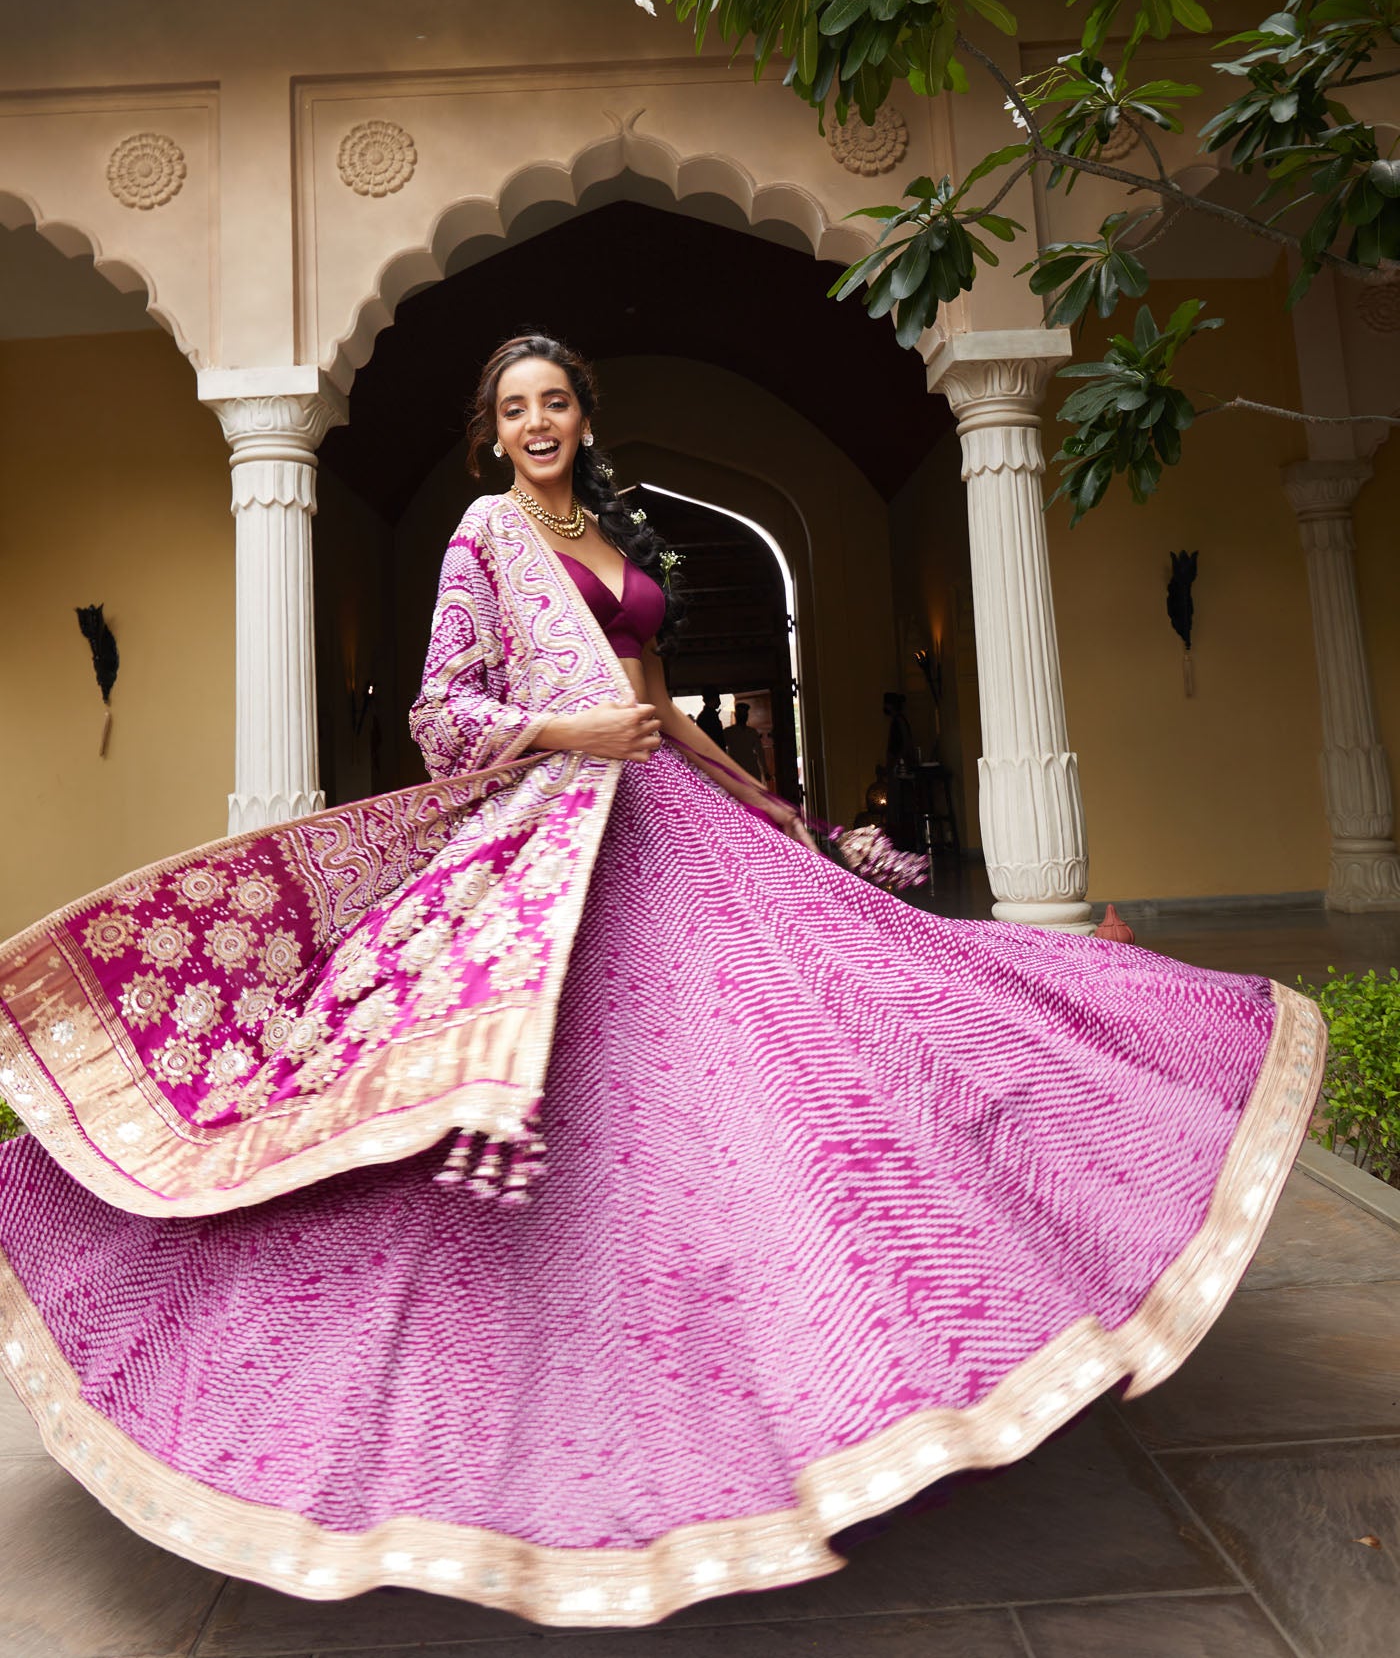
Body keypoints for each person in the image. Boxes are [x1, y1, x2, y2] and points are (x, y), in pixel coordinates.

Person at [0, 332, 1324, 1631]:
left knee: (825, 1037)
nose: (536, 423)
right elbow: (440, 710)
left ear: (583, 416)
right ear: (491, 433)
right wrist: (566, 728)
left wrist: (763, 796)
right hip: (565, 835)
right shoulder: (483, 535)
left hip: (681, 823)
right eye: (514, 407)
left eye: (555, 402)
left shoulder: (610, 534)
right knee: (610, 1097)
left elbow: (658, 700)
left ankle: (864, 1347)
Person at [723, 700, 769, 785]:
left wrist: (765, 771)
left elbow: (760, 752)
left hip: (744, 770)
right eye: (742, 714)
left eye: (744, 714)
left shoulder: (729, 732)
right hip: (742, 770)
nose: (743, 717)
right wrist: (765, 771)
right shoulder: (729, 732)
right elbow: (760, 752)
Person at [694, 682, 726, 750]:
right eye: (718, 698)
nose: (720, 702)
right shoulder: (710, 717)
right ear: (713, 699)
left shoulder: (704, 716)